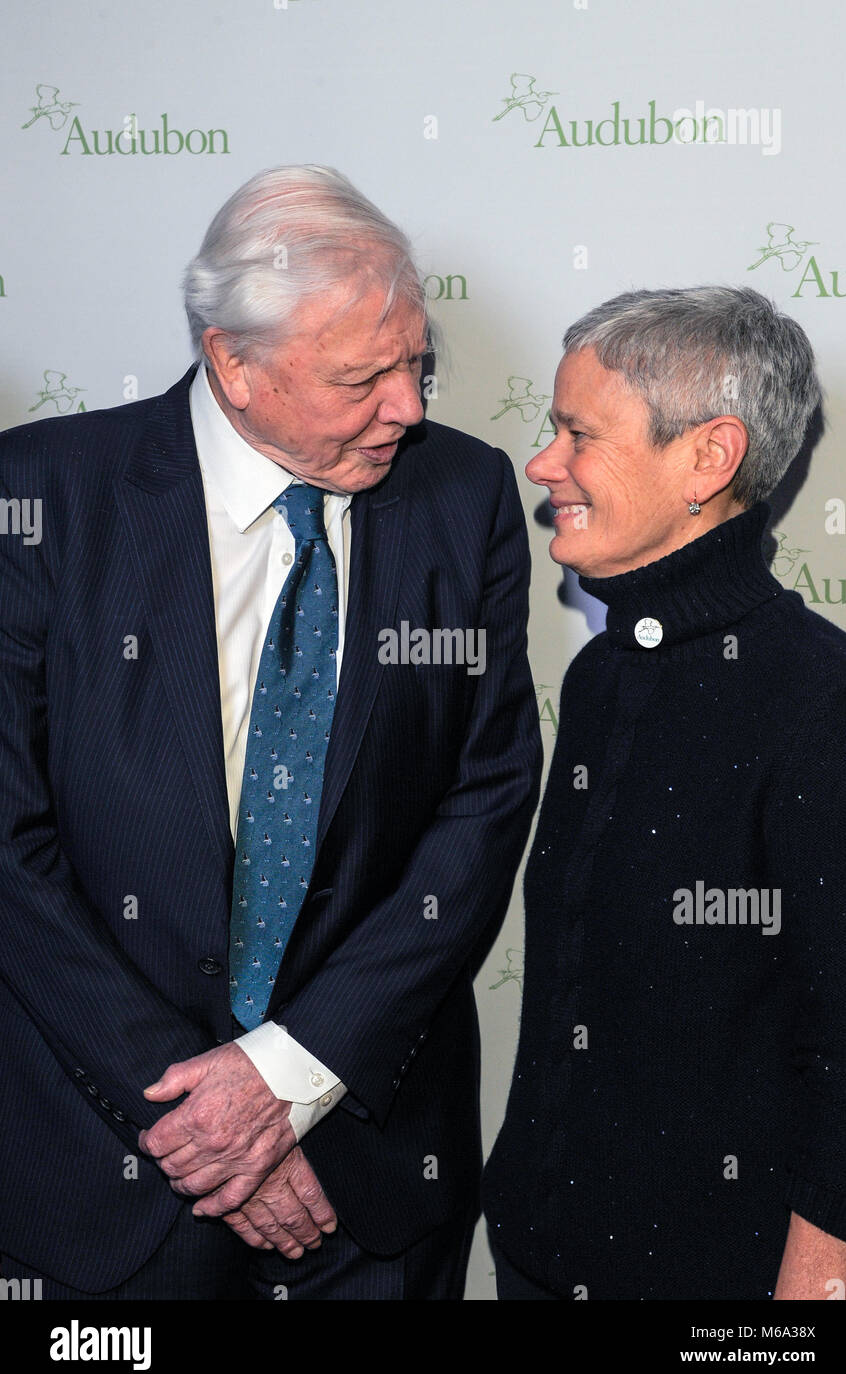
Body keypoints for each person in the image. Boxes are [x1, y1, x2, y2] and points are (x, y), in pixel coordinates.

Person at [0, 166, 541, 1300]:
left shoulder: (464, 494)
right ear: (232, 365)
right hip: (104, 1171)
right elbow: (10, 846)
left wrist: (288, 1077)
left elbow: (482, 798)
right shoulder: (44, 498)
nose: (408, 406)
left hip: (372, 1168)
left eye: (416, 362)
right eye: (363, 377)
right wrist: (209, 1110)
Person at [484, 286, 846, 1301]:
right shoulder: (604, 676)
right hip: (541, 1253)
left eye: (578, 434)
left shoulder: (826, 702)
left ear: (707, 457)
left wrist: (814, 1295)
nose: (543, 464)